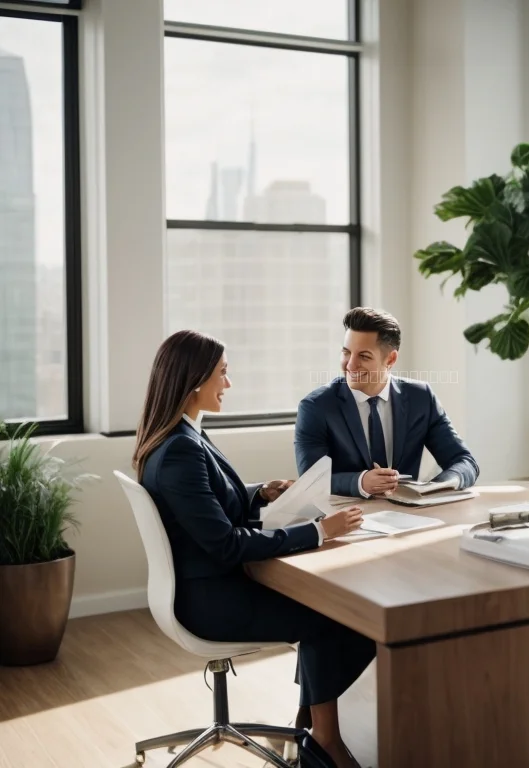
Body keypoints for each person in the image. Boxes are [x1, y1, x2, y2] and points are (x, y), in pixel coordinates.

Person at [133, 329, 375, 768]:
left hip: (202, 586)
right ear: (194, 381)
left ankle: (307, 724)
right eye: (222, 374)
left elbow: (206, 502)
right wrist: (319, 531)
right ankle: (325, 740)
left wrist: (259, 492)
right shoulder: (181, 450)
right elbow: (226, 544)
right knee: (337, 617)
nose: (228, 384)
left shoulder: (179, 436)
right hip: (209, 601)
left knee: (331, 612)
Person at [295, 307, 479, 497]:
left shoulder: (420, 397)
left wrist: (435, 488)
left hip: (407, 510)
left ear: (390, 359)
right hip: (347, 513)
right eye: (346, 352)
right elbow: (310, 481)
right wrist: (360, 482)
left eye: (363, 356)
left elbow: (464, 462)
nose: (350, 364)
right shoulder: (316, 407)